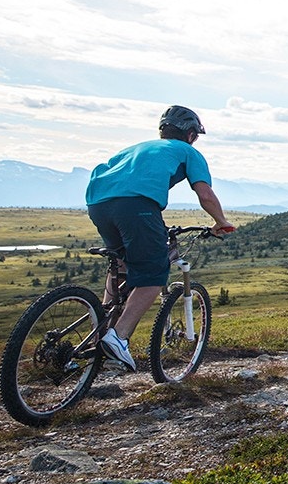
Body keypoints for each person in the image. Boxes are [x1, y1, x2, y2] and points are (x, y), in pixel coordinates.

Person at [85, 105, 235, 370]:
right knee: (153, 274)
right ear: (190, 134)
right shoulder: (189, 152)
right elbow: (206, 195)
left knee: (121, 265)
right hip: (137, 206)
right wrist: (221, 222)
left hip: (98, 204)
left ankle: (97, 337)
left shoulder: (136, 148)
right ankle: (118, 339)